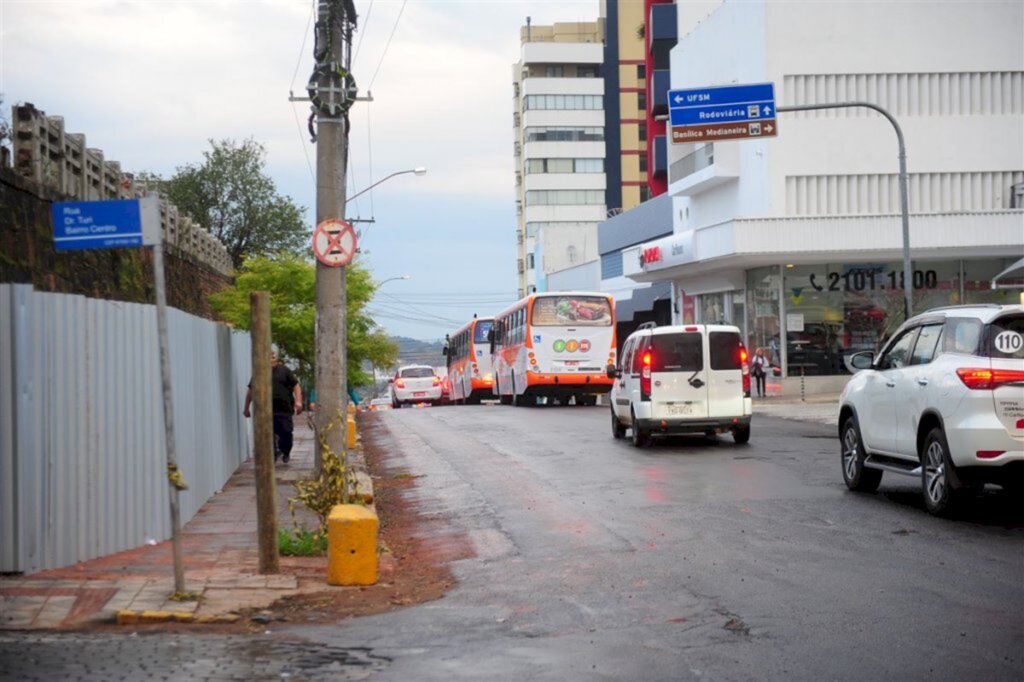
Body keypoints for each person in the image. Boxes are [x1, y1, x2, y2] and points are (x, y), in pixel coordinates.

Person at [243, 351, 303, 464]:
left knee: (286, 432)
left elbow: (296, 386)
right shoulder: (259, 373)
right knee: (269, 433)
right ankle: (273, 454)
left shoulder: (284, 371)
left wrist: (298, 401)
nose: (272, 358)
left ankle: (285, 451)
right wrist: (246, 407)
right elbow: (251, 391)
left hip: (284, 409)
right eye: (269, 356)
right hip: (266, 411)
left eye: (273, 356)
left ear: (276, 359)